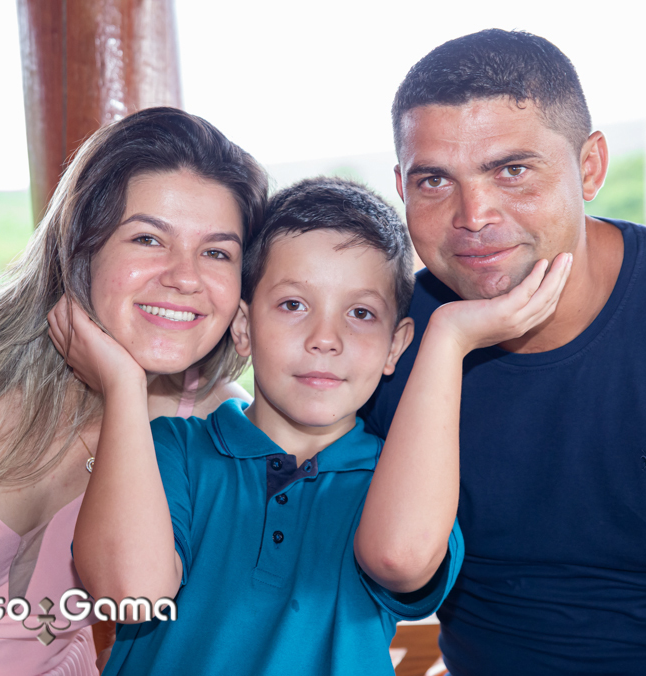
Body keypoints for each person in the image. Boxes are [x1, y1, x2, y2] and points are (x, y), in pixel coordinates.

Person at [360, 28, 646, 675]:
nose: (474, 214)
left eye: (512, 170)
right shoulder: (390, 331)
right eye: (434, 181)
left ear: (589, 167)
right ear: (401, 186)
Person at [53, 176, 569, 675]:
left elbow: (400, 558)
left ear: (396, 345)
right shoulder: (172, 451)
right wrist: (124, 384)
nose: (326, 338)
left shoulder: (404, 482)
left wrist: (450, 339)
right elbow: (131, 592)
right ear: (243, 327)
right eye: (294, 305)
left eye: (361, 313)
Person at [0, 107, 267, 676]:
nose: (184, 277)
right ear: (80, 247)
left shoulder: (213, 422)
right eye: (147, 238)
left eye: (216, 252)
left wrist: (123, 390)